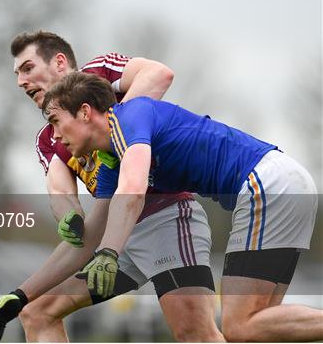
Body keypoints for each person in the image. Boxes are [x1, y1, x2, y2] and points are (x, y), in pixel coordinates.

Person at [0, 31, 224, 342]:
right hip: (116, 240)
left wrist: (115, 138)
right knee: (37, 312)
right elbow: (60, 191)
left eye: (27, 68)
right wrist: (69, 215)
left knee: (196, 335)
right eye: (17, 74)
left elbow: (160, 74)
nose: (21, 82)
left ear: (60, 62)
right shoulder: (49, 137)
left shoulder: (100, 73)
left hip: (166, 220)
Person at [39, 71, 322, 342]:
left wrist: (109, 253)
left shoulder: (126, 119)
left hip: (267, 183)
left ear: (86, 112)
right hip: (284, 181)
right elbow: (99, 226)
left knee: (240, 325)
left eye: (55, 121)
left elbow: (133, 193)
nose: (54, 135)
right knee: (254, 326)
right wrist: (22, 295)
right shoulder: (112, 161)